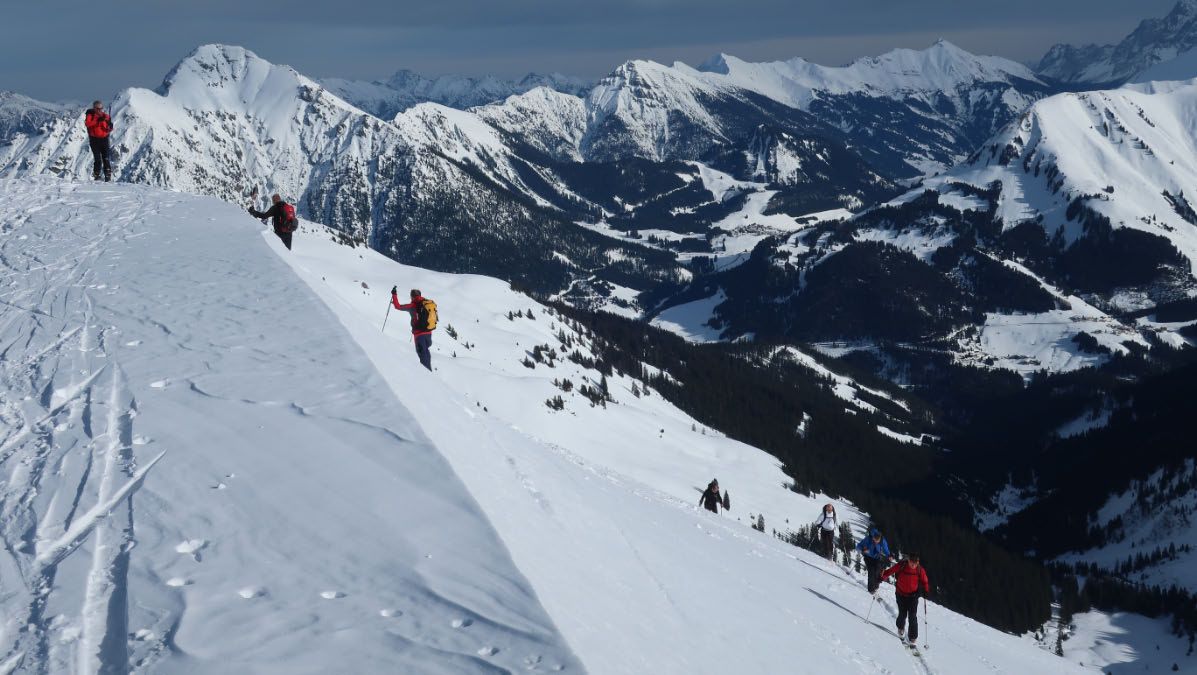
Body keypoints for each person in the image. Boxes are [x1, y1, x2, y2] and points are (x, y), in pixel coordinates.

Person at [880, 554, 931, 644]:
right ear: (908, 560)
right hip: (901, 594)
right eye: (912, 562)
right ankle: (900, 627)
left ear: (918, 562)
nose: (913, 565)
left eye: (915, 563)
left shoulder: (920, 570)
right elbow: (890, 571)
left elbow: (925, 581)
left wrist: (926, 591)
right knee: (902, 614)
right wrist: (882, 577)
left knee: (912, 616)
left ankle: (913, 637)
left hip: (913, 596)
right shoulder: (902, 565)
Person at [391, 287, 436, 370]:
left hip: (419, 334)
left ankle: (426, 375)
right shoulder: (427, 303)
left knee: (422, 354)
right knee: (426, 351)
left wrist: (394, 295)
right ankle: (429, 370)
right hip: (429, 332)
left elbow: (398, 306)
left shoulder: (413, 306)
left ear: (412, 297)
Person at [857, 527, 893, 594]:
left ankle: (876, 586)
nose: (876, 541)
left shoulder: (883, 541)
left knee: (877, 572)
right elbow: (859, 545)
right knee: (871, 572)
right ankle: (871, 590)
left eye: (877, 540)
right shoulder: (868, 539)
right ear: (873, 537)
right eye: (875, 540)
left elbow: (886, 550)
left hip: (877, 558)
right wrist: (863, 550)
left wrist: (889, 555)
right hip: (868, 557)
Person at [84, 101, 113, 181]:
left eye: (101, 108)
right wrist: (97, 120)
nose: (100, 110)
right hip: (94, 140)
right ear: (94, 108)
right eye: (98, 109)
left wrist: (110, 126)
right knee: (97, 159)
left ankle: (108, 175)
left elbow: (109, 128)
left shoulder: (106, 116)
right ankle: (96, 175)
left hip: (104, 139)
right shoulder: (90, 115)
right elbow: (87, 124)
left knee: (106, 158)